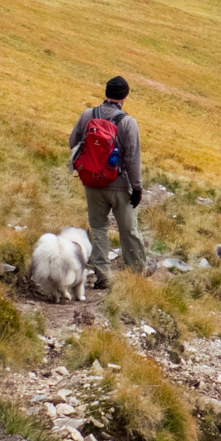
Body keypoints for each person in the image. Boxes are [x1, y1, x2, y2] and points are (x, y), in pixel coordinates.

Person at [69, 75, 145, 286]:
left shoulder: (88, 115)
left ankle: (103, 276)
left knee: (99, 228)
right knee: (128, 229)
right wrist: (137, 187)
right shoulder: (128, 122)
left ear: (106, 93)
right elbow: (132, 158)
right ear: (125, 97)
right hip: (119, 186)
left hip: (92, 182)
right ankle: (136, 275)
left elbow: (72, 142)